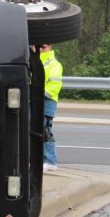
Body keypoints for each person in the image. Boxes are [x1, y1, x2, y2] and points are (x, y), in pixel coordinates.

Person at [39, 43, 63, 172]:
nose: (42, 48)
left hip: (47, 100)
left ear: (50, 47)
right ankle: (38, 160)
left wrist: (39, 93)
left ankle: (50, 161)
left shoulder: (54, 64)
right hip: (35, 99)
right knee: (34, 130)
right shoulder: (35, 61)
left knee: (45, 129)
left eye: (44, 46)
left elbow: (54, 85)